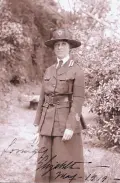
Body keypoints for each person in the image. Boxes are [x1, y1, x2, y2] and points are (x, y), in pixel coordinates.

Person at [33, 28, 85, 183]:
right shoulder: (49, 71)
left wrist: (70, 125)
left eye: (63, 44)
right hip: (47, 125)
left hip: (65, 125)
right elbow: (43, 100)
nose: (60, 47)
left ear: (69, 47)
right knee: (44, 167)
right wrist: (39, 127)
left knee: (64, 166)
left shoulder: (77, 70)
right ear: (53, 48)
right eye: (57, 45)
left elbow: (78, 100)